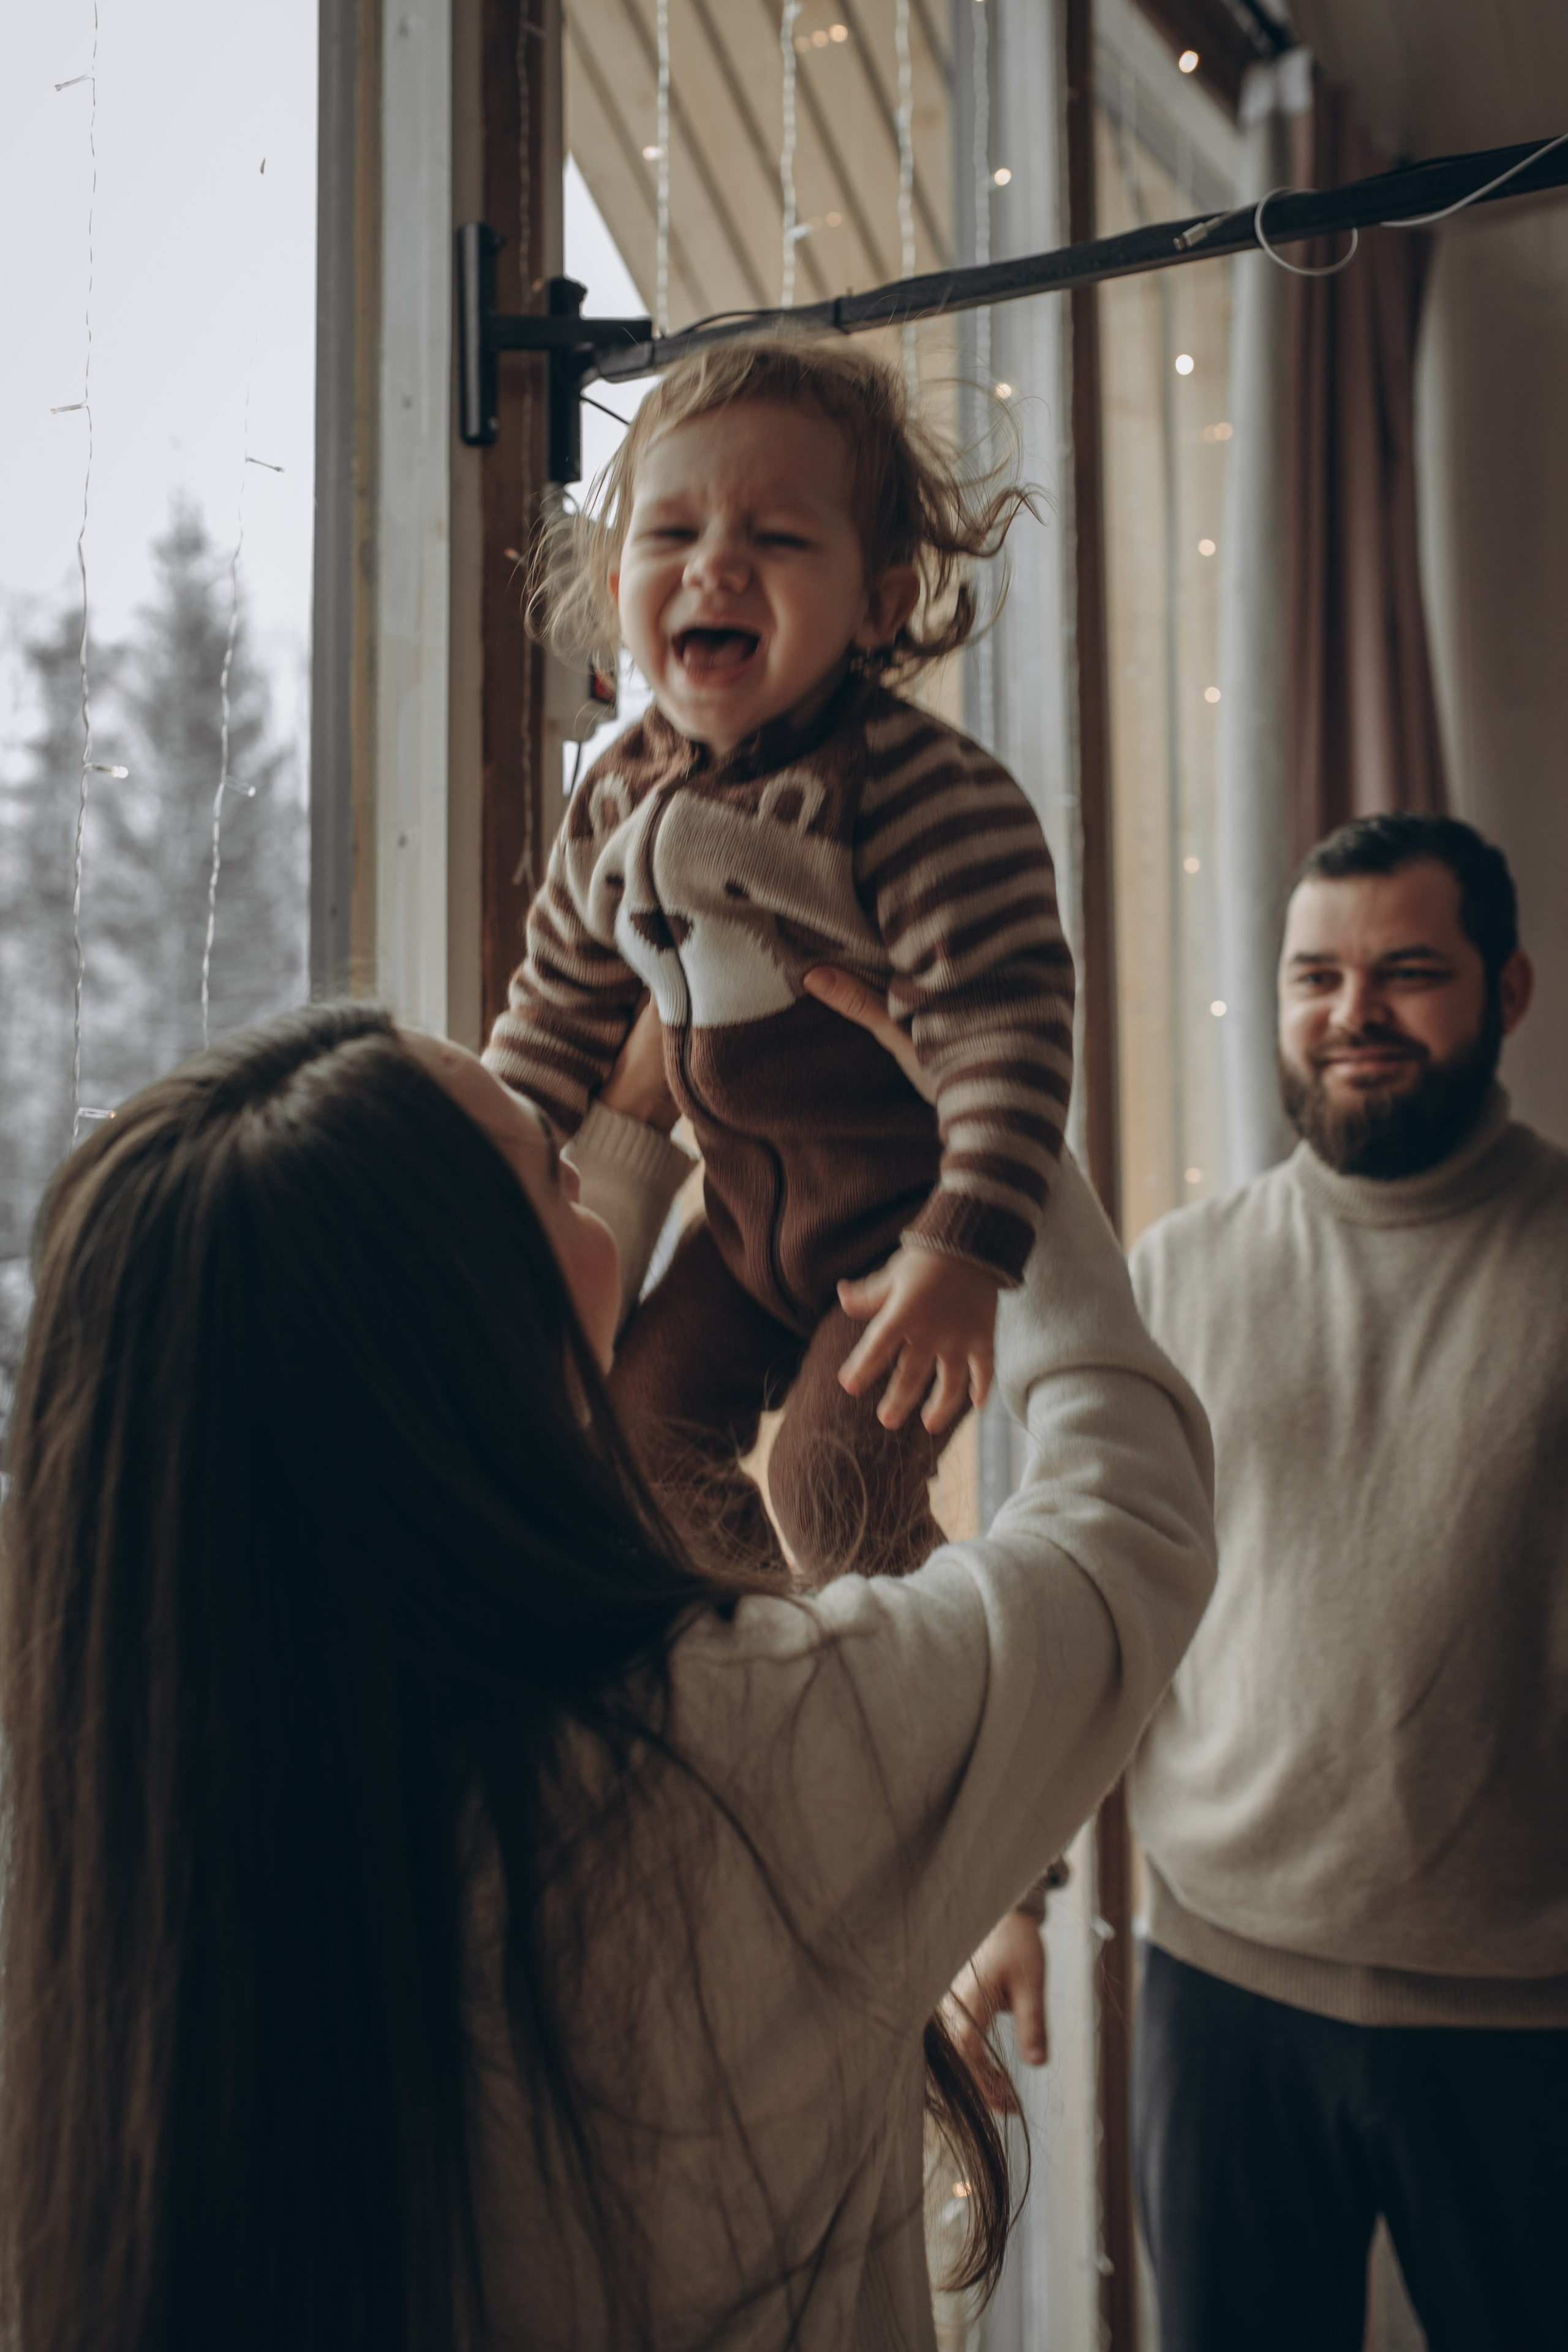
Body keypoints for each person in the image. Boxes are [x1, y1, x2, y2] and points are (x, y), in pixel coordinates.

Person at [0, 997, 1213, 2352]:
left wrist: (623, 1139)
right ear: (479, 1318)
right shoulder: (744, 1745)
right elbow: (1126, 1532)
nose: (591, 1174)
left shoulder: (129, 1840)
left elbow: (478, 1406)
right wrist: (994, 1134)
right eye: (556, 1172)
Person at [484, 333, 1075, 1581]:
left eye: (778, 538)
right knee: (640, 1454)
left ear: (878, 605)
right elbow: (557, 1006)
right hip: (743, 1232)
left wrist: (964, 1245)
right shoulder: (616, 792)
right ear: (617, 579)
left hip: (906, 1233)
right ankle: (779, 1665)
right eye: (672, 532)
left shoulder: (920, 795)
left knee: (829, 1491)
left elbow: (1007, 1031)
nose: (715, 564)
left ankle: (921, 1669)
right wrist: (480, 1162)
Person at [1121, 815, 1568, 2352]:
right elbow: (1098, 1613)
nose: (1351, 1014)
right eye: (1314, 976)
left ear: (1507, 990)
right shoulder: (1173, 1274)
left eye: (1406, 972)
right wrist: (1013, 1894)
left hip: (1528, 2016)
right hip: (1218, 1987)